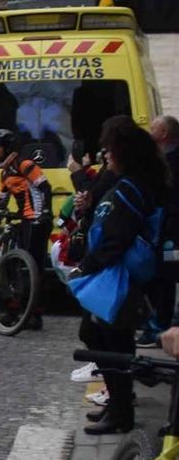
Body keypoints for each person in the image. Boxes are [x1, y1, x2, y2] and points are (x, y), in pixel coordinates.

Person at [76, 116, 168, 436]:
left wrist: (86, 266)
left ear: (122, 153)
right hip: (121, 276)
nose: (105, 156)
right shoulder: (139, 182)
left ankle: (120, 412)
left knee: (110, 341)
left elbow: (117, 237)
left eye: (109, 151)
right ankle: (116, 405)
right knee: (103, 337)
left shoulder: (131, 187)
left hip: (120, 277)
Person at [0, 127, 51, 332]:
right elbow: (2, 201)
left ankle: (35, 314)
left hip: (38, 220)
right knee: (15, 267)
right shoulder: (5, 172)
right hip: (24, 219)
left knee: (33, 268)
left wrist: (46, 212)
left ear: (6, 148)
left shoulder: (25, 164)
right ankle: (13, 308)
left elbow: (45, 187)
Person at [147, 115, 179, 330]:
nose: (149, 133)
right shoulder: (163, 157)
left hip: (172, 228)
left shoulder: (171, 161)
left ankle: (162, 323)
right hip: (168, 225)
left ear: (164, 134)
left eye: (153, 129)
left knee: (167, 274)